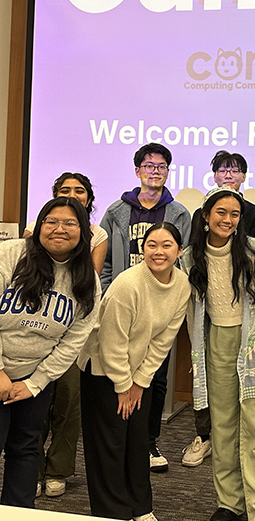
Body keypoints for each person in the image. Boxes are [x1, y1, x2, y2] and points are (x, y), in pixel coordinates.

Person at [183, 187, 255, 521]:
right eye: (221, 213)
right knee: (223, 428)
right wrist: (198, 355)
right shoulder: (189, 257)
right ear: (206, 216)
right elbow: (191, 313)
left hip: (254, 346)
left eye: (235, 214)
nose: (228, 220)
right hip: (215, 344)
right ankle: (229, 502)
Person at [78, 222, 190, 521]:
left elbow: (163, 339)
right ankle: (113, 513)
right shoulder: (127, 285)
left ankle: (141, 507)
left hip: (140, 370)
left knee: (138, 440)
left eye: (167, 245)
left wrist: (140, 382)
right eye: (151, 245)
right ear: (143, 250)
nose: (158, 251)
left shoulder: (182, 285)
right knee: (110, 443)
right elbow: (112, 343)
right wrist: (123, 385)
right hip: (102, 370)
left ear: (179, 251)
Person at [0, 197, 99, 508]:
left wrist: (35, 382)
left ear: (83, 232)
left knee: (26, 446)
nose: (59, 229)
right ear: (39, 225)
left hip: (34, 375)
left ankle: (19, 516)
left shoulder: (87, 280)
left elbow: (74, 339)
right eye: (51, 221)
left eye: (70, 223)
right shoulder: (10, 254)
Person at [99, 143, 191, 473]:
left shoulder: (179, 212)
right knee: (118, 362)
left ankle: (150, 440)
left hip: (160, 304)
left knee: (157, 375)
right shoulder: (117, 211)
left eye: (161, 166)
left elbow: (184, 257)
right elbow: (107, 260)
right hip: (125, 299)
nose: (155, 171)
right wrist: (111, 292)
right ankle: (118, 433)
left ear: (168, 171)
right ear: (138, 170)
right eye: (149, 166)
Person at [182, 150, 255, 468]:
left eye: (235, 170)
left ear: (244, 176)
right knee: (212, 393)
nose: (229, 175)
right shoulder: (200, 216)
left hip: (247, 315)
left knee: (251, 410)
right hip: (211, 315)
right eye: (222, 170)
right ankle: (205, 438)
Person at [24, 172, 108, 499]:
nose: (73, 195)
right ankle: (32, 468)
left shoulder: (96, 234)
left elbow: (87, 279)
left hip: (74, 327)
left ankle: (58, 468)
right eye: (65, 190)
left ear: (88, 198)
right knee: (34, 402)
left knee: (69, 401)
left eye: (79, 191)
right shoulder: (38, 228)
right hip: (31, 327)